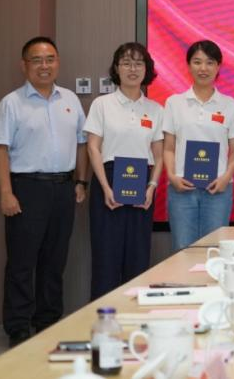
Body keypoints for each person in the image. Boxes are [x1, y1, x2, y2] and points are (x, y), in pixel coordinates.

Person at [0, 37, 88, 347]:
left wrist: (81, 182)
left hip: (63, 188)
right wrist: (6, 192)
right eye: (37, 60)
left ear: (58, 62)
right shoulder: (11, 103)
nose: (44, 65)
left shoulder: (70, 100)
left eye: (50, 59)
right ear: (25, 65)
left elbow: (82, 144)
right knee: (22, 262)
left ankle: (48, 322)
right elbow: (0, 150)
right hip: (26, 189)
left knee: (54, 260)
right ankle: (18, 327)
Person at [84, 42, 164, 299]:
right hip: (107, 181)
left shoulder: (155, 109)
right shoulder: (102, 104)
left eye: (139, 63)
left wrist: (151, 187)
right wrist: (105, 187)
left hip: (142, 185)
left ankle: (134, 317)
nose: (133, 69)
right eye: (126, 63)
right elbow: (93, 147)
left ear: (146, 69)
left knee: (138, 258)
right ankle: (102, 317)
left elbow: (159, 155)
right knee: (105, 259)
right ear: (116, 68)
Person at [162, 40, 234, 251]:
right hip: (181, 189)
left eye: (209, 62)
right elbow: (168, 147)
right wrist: (172, 176)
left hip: (218, 189)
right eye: (197, 62)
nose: (203, 68)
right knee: (182, 249)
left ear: (218, 67)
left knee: (214, 250)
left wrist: (226, 178)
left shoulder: (230, 105)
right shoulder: (174, 103)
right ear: (188, 66)